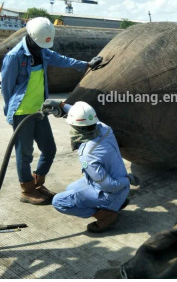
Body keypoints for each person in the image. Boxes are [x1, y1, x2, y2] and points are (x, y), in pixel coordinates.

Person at [1, 17, 103, 205]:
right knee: (25, 154)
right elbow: (6, 88)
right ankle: (27, 189)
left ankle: (38, 182)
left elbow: (62, 60)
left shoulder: (42, 51)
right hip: (22, 113)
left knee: (49, 149)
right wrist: (11, 113)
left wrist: (86, 64)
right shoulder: (14, 56)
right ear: (31, 36)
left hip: (40, 111)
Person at [42, 100, 140, 233]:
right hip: (118, 185)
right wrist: (62, 105)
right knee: (70, 189)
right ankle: (116, 204)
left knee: (59, 201)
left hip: (114, 190)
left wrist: (128, 179)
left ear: (74, 126)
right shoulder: (105, 129)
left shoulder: (88, 155)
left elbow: (110, 185)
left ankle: (106, 215)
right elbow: (87, 118)